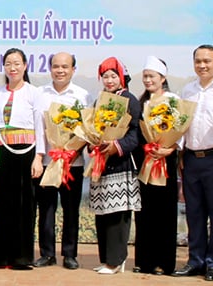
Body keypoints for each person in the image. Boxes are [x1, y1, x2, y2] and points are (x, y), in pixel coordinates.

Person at [173, 45, 213, 281]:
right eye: (198, 61)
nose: (202, 65)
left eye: (207, 61)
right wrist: (181, 157)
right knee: (194, 213)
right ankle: (196, 260)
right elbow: (181, 125)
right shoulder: (187, 90)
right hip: (191, 159)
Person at [35, 52, 93, 270]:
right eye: (56, 66)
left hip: (73, 163)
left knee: (71, 210)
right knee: (46, 209)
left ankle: (70, 254)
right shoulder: (40, 93)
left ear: (73, 70)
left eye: (65, 67)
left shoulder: (83, 95)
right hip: (48, 163)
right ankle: (47, 254)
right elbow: (39, 128)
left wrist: (73, 151)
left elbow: (86, 130)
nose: (60, 70)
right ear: (50, 69)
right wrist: (40, 156)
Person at [0, 48, 43, 270]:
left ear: (25, 65)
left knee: (25, 205)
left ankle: (21, 258)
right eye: (8, 63)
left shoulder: (34, 92)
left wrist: (38, 157)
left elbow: (40, 125)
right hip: (2, 152)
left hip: (27, 152)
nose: (13, 67)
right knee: (2, 205)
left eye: (17, 63)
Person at [89, 57, 142, 275]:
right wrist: (94, 143)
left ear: (122, 77)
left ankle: (116, 259)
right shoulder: (100, 100)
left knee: (118, 214)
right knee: (102, 213)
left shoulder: (129, 99)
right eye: (105, 76)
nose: (109, 80)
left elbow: (136, 133)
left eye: (113, 76)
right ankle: (106, 259)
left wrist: (116, 146)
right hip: (102, 164)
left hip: (121, 163)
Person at [132, 56, 178, 275]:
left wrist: (170, 148)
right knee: (145, 212)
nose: (148, 80)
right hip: (146, 161)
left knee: (165, 212)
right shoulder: (142, 103)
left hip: (166, 161)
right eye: (145, 77)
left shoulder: (173, 100)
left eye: (152, 76)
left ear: (163, 77)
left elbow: (181, 129)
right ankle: (145, 260)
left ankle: (165, 262)